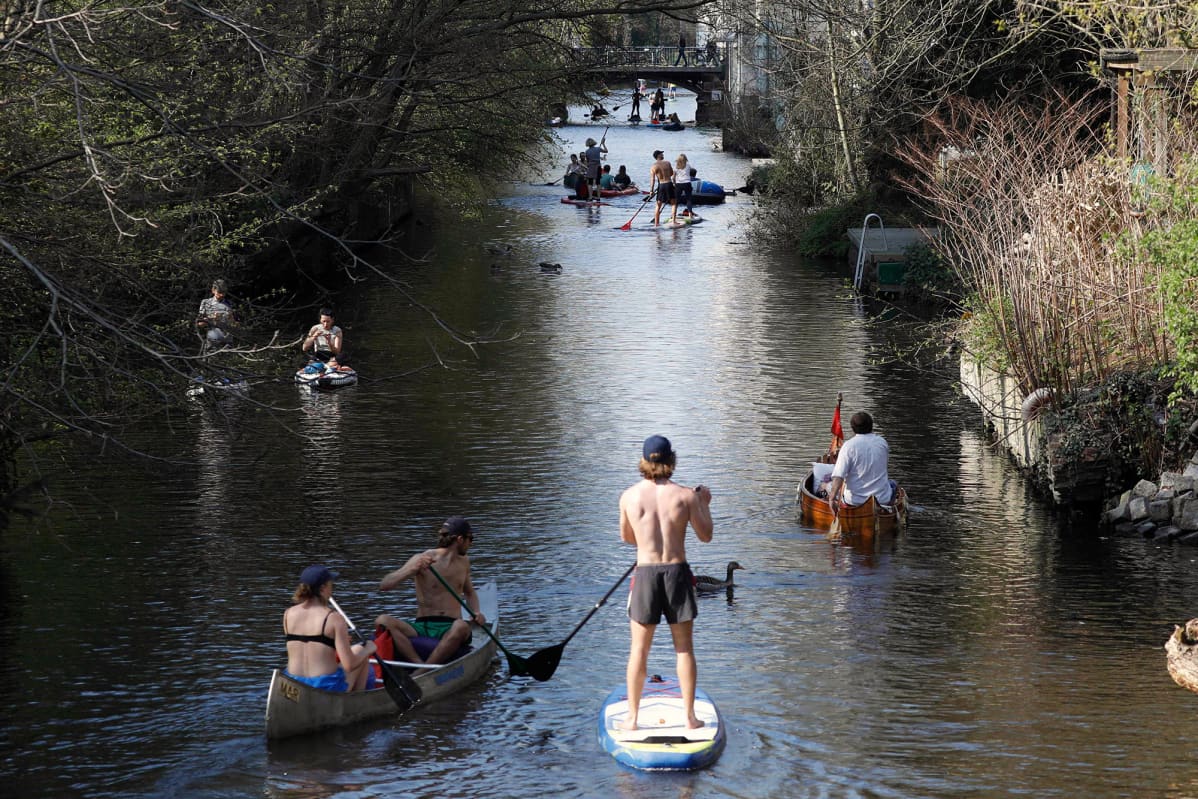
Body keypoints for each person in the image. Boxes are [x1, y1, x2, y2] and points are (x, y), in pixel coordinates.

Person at [618, 435, 713, 731]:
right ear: (671, 460)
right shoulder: (686, 496)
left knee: (638, 650)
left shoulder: (629, 496)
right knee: (684, 649)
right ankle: (690, 718)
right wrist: (704, 503)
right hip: (676, 572)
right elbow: (706, 535)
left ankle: (632, 720)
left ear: (645, 461)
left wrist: (647, 542)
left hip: (645, 573)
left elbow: (627, 537)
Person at [375, 516, 486, 665]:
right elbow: (385, 585)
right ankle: (418, 663)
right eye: (470, 539)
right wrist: (412, 569)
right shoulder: (422, 558)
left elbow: (470, 593)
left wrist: (476, 612)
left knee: (461, 626)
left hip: (451, 626)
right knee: (382, 621)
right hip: (422, 626)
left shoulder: (464, 562)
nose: (471, 544)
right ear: (460, 539)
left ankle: (424, 669)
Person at [283, 565, 377, 692]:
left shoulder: (288, 614)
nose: (331, 589)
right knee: (361, 652)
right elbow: (349, 664)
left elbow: (304, 644)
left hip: (294, 684)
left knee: (357, 651)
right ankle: (356, 702)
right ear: (323, 588)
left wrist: (333, 641)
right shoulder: (333, 618)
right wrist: (369, 649)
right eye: (330, 585)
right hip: (325, 687)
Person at [827, 411, 894, 511]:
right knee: (893, 484)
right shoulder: (882, 443)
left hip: (855, 501)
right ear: (871, 426)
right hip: (882, 499)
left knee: (825, 486)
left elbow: (839, 476)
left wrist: (832, 499)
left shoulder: (849, 446)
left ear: (853, 429)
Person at [196, 279, 235, 352]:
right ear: (213, 290)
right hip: (212, 342)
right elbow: (199, 324)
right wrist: (211, 319)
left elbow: (234, 324)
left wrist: (231, 320)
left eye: (224, 292)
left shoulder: (230, 303)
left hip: (227, 342)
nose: (222, 295)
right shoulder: (206, 303)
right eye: (219, 292)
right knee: (210, 361)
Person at [648, 149, 676, 226]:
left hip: (661, 185)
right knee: (673, 204)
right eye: (661, 154)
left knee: (658, 205)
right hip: (669, 184)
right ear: (658, 156)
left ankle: (656, 224)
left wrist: (651, 190)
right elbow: (671, 173)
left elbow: (652, 179)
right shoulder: (667, 163)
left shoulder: (653, 167)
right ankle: (673, 221)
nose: (663, 155)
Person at [673, 154, 693, 220]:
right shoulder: (688, 165)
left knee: (676, 200)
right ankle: (690, 215)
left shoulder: (676, 167)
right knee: (688, 199)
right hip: (687, 183)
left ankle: (674, 216)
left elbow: (673, 177)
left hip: (679, 184)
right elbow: (690, 172)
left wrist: (674, 183)